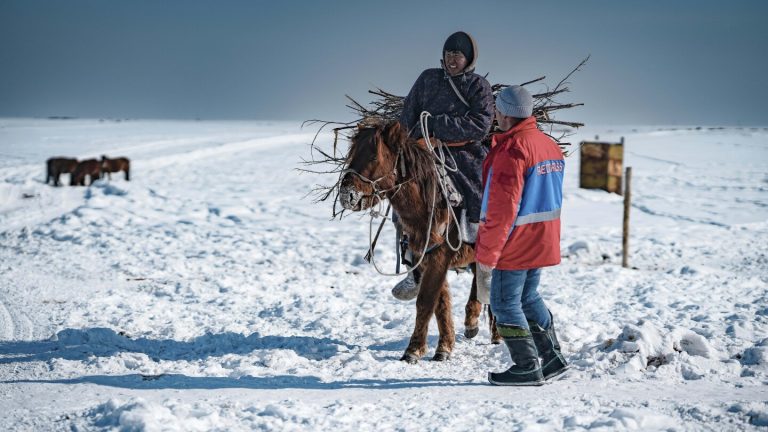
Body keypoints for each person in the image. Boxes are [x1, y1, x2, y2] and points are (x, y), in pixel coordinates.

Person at [475, 85, 568, 386]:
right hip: (543, 236)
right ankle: (552, 358)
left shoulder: (513, 150)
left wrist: (488, 253)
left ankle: (526, 366)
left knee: (504, 302)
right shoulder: (547, 145)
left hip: (517, 240)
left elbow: (502, 209)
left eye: (497, 110)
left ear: (504, 113)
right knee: (528, 296)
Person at [391, 30, 495, 301]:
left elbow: (480, 125)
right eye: (449, 53)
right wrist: (413, 140)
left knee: (479, 195)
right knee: (403, 197)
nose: (452, 59)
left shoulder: (478, 86)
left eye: (458, 55)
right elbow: (408, 115)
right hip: (424, 152)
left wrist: (437, 126)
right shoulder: (428, 79)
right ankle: (413, 266)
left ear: (469, 58)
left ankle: (484, 263)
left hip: (466, 154)